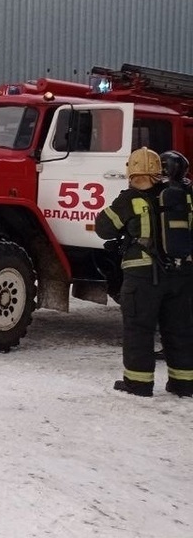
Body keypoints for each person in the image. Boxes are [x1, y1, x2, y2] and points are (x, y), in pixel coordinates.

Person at [94, 148, 193, 397]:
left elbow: (103, 228)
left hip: (142, 277)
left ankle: (138, 384)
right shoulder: (183, 196)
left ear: (131, 171)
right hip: (182, 274)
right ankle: (184, 384)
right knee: (180, 329)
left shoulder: (130, 199)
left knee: (139, 329)